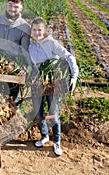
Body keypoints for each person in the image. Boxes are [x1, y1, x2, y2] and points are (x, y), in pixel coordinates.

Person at [28, 17, 79, 156]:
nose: (37, 33)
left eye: (39, 30)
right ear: (31, 31)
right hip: (37, 84)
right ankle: (44, 136)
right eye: (34, 30)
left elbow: (69, 56)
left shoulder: (51, 43)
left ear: (44, 30)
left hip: (52, 84)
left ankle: (57, 141)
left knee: (53, 114)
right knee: (38, 114)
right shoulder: (30, 47)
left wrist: (74, 75)